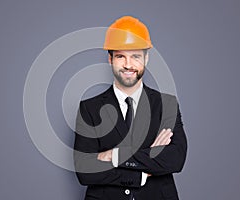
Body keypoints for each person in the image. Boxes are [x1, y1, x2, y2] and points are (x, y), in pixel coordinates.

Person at [74, 16, 187, 200]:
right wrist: (143, 169)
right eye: (120, 56)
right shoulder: (89, 108)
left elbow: (175, 159)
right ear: (110, 59)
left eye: (135, 56)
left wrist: (114, 156)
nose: (128, 64)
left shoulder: (166, 105)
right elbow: (84, 170)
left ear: (146, 58)